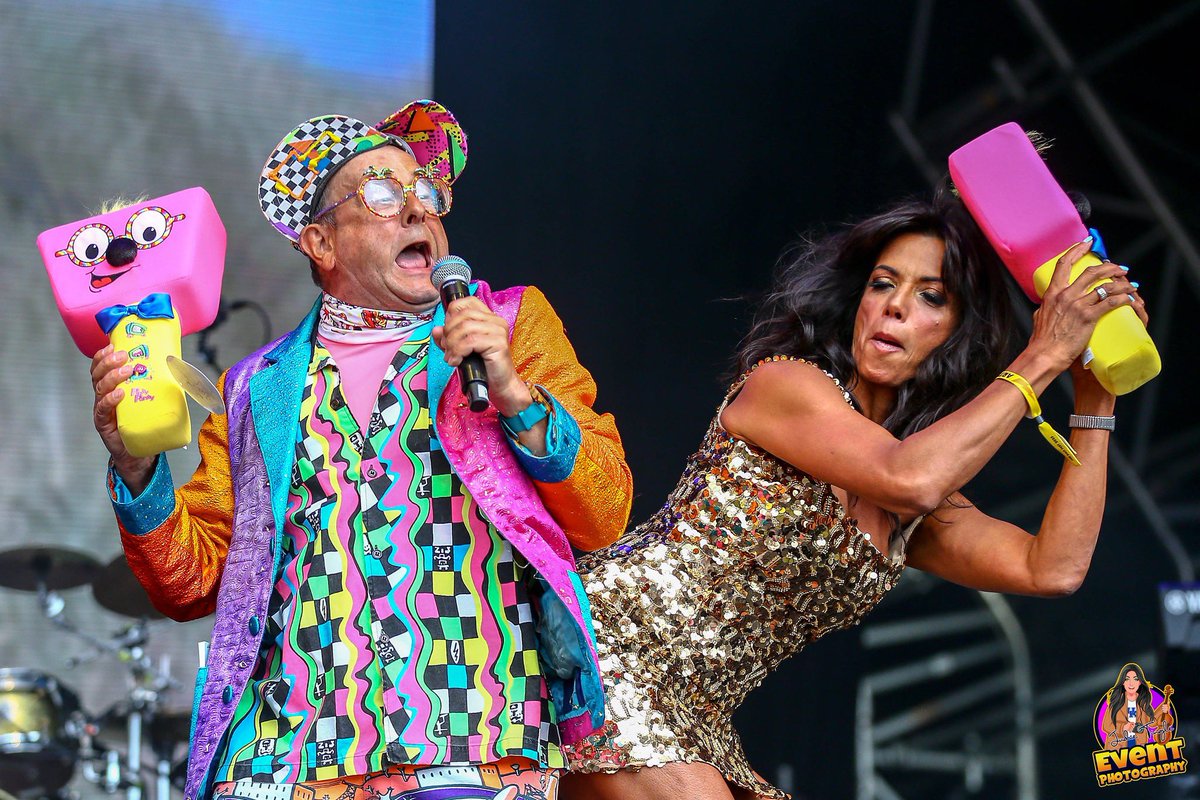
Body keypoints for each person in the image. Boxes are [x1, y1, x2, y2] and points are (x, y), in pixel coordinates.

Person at [90, 100, 632, 800]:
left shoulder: (509, 325)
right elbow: (190, 580)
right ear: (321, 243)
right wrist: (137, 469)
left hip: (472, 748)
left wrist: (516, 396)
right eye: (381, 194)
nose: (417, 213)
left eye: (426, 196)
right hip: (283, 764)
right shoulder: (258, 388)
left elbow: (606, 509)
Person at [560, 190, 1147, 800]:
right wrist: (1045, 351)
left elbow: (1052, 568)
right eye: (881, 284)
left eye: (930, 296)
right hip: (605, 647)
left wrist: (1094, 400)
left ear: (959, 332)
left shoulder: (913, 510)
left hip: (696, 715)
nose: (893, 307)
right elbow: (907, 475)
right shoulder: (786, 382)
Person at [1101, 663, 1156, 750]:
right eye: (1127, 679)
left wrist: (1164, 710)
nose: (1131, 683)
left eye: (1135, 679)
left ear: (1140, 682)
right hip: (1118, 747)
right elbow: (1106, 726)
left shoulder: (1143, 702)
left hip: (1139, 745)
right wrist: (1123, 728)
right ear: (1122, 682)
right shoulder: (1116, 702)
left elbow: (1152, 723)